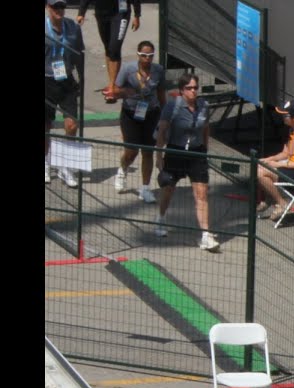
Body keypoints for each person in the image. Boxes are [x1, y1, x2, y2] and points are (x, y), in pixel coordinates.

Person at [154, 72, 220, 252]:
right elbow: (162, 132)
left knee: (201, 194)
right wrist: (159, 157)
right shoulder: (173, 106)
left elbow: (205, 128)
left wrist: (205, 150)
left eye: (195, 88)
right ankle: (161, 218)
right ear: (182, 90)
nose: (193, 91)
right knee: (168, 189)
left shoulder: (204, 106)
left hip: (197, 153)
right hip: (176, 151)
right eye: (189, 88)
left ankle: (205, 235)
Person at [108, 39, 165, 203]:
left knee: (148, 151)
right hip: (131, 114)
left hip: (151, 113)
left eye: (150, 55)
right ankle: (123, 169)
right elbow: (115, 89)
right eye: (144, 55)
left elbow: (161, 93)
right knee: (131, 151)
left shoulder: (158, 70)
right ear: (138, 55)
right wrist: (126, 92)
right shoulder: (128, 69)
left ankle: (145, 188)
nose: (147, 58)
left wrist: (165, 116)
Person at [255, 99, 294, 223]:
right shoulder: (291, 130)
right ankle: (270, 198)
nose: (283, 117)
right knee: (259, 166)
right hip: (291, 166)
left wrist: (277, 164)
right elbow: (286, 153)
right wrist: (269, 159)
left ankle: (281, 203)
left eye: (285, 115)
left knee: (261, 173)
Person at [44, 0, 85, 188]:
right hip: (46, 80)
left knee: (71, 125)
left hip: (66, 79)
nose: (59, 10)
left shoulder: (73, 27)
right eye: (55, 7)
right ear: (48, 7)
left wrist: (82, 77)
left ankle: (65, 166)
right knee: (46, 126)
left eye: (62, 6)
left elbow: (79, 53)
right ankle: (46, 161)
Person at [76, 0, 142, 104]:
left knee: (114, 48)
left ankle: (112, 86)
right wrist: (81, 12)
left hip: (121, 13)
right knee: (108, 48)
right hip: (101, 13)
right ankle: (112, 82)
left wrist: (137, 15)